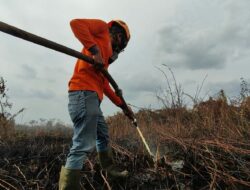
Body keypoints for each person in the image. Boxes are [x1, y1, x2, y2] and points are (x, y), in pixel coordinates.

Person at [59, 18, 134, 189]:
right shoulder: (101, 29)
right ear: (119, 35)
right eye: (122, 41)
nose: (119, 47)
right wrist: (95, 51)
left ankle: (110, 170)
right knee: (83, 143)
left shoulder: (105, 59)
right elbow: (75, 24)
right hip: (84, 93)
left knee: (103, 135)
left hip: (92, 97)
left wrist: (123, 106)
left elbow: (105, 85)